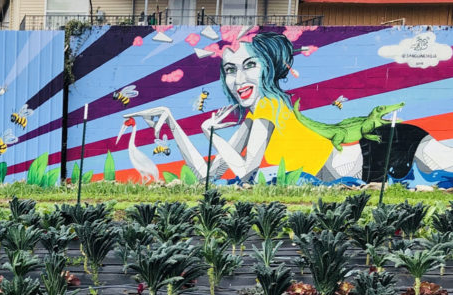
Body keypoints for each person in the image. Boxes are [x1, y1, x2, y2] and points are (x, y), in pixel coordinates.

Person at [124, 31, 453, 184]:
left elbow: (243, 170)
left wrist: (212, 132)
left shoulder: (268, 105)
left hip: (378, 151)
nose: (238, 79)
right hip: (367, 163)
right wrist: (173, 120)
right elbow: (205, 176)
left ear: (267, 68)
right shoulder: (255, 118)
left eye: (249, 65)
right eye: (229, 69)